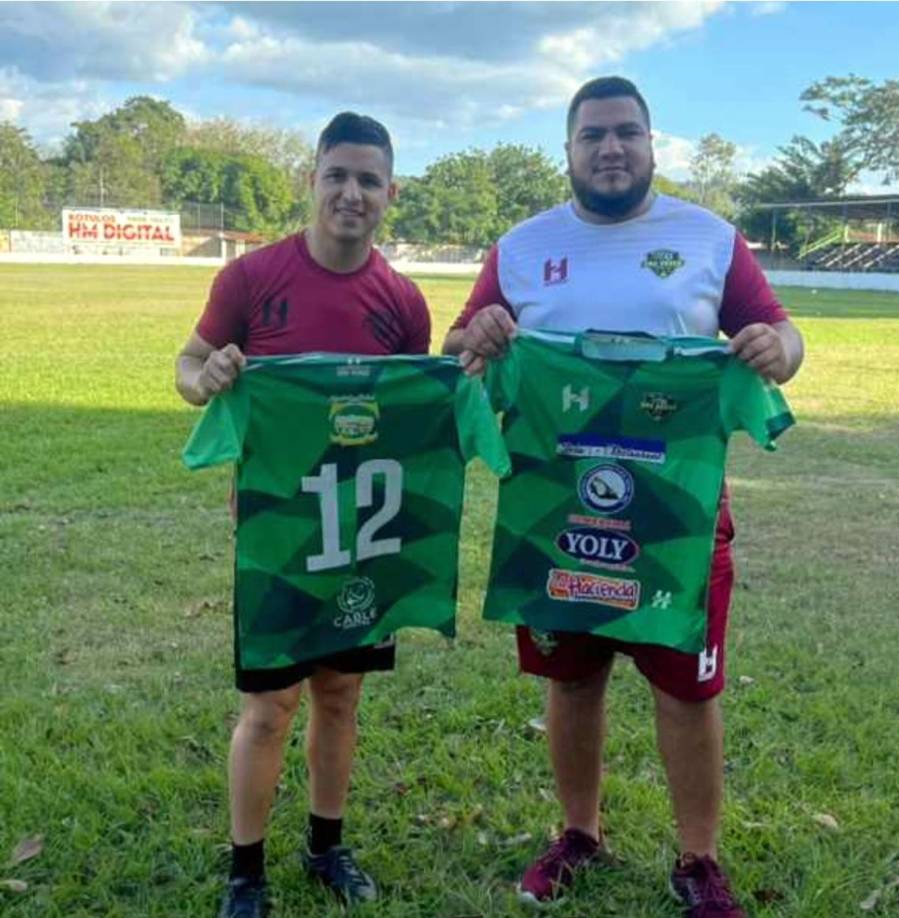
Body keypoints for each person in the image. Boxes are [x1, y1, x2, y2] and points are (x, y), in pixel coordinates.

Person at [443, 76, 804, 917]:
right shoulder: (523, 246)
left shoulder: (709, 238)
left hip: (677, 514)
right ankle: (579, 834)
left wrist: (774, 348)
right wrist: (478, 333)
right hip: (556, 511)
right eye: (593, 134)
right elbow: (459, 348)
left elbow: (784, 337)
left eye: (627, 132)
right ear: (568, 150)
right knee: (572, 684)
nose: (611, 148)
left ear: (650, 142)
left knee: (687, 690)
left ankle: (699, 859)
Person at [176, 112, 430, 918]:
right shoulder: (251, 279)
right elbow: (188, 365)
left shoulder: (403, 301)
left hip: (365, 533)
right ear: (311, 180)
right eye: (337, 176)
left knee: (341, 695)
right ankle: (245, 872)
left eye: (369, 180)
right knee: (270, 705)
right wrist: (207, 376)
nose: (352, 193)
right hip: (277, 533)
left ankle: (327, 846)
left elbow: (412, 417)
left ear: (390, 193)